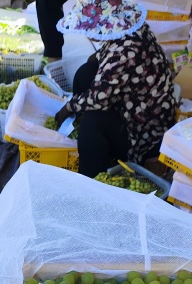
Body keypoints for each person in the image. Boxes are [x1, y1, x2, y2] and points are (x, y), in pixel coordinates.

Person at [54, 0, 177, 178]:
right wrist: (96, 59)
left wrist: (69, 107)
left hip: (145, 131)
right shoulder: (130, 29)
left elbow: (98, 98)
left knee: (92, 122)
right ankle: (88, 142)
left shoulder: (125, 51)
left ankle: (90, 175)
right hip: (135, 103)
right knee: (85, 74)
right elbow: (107, 59)